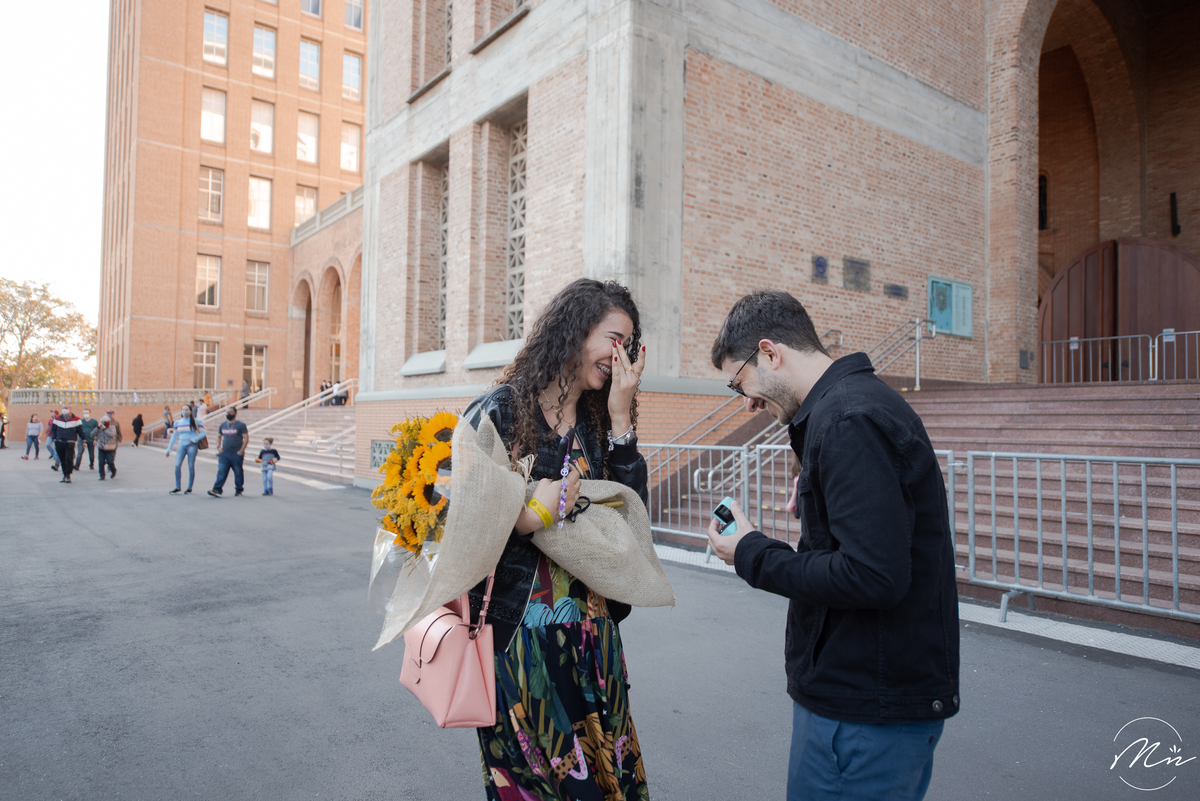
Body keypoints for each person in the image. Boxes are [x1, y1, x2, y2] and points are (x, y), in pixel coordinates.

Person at [705, 291, 960, 801]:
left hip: (865, 706)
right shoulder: (843, 411)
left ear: (770, 353)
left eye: (739, 383)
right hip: (863, 694)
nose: (747, 402)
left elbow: (872, 575)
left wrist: (751, 551)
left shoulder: (847, 420)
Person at [462, 278, 651, 801]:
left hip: (593, 640)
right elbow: (452, 519)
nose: (621, 355)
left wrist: (621, 419)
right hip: (519, 642)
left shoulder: (596, 422)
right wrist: (528, 517)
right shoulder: (501, 410)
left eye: (629, 344)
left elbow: (631, 522)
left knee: (605, 784)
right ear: (575, 329)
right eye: (614, 339)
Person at [165, 404, 206, 494]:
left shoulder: (196, 421)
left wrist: (194, 439)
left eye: (187, 409)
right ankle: (177, 487)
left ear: (190, 411)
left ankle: (189, 487)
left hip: (192, 445)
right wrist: (169, 448)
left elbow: (203, 433)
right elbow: (174, 435)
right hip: (181, 445)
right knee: (177, 465)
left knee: (190, 466)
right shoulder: (177, 423)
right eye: (183, 409)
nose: (185, 411)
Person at [208, 406, 248, 497]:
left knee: (238, 472)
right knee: (221, 471)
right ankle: (217, 490)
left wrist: (241, 450)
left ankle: (239, 489)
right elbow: (218, 436)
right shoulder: (223, 425)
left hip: (236, 453)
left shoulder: (241, 425)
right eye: (227, 412)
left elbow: (246, 438)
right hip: (224, 453)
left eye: (230, 412)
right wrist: (218, 447)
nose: (228, 414)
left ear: (235, 413)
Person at [51, 406, 85, 483]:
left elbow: (80, 431)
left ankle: (68, 474)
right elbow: (53, 429)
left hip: (70, 442)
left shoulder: (76, 419)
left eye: (66, 408)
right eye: (63, 408)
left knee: (68, 458)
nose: (65, 409)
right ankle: (64, 474)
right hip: (59, 442)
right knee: (62, 459)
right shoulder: (57, 419)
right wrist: (55, 438)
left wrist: (84, 440)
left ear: (70, 409)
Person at [96, 415, 121, 480]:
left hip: (110, 447)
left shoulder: (112, 427)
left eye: (107, 421)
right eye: (104, 422)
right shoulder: (99, 428)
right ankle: (102, 475)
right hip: (101, 447)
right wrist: (97, 428)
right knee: (101, 462)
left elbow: (111, 435)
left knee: (110, 461)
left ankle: (113, 470)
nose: (105, 423)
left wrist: (105, 429)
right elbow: (92, 434)